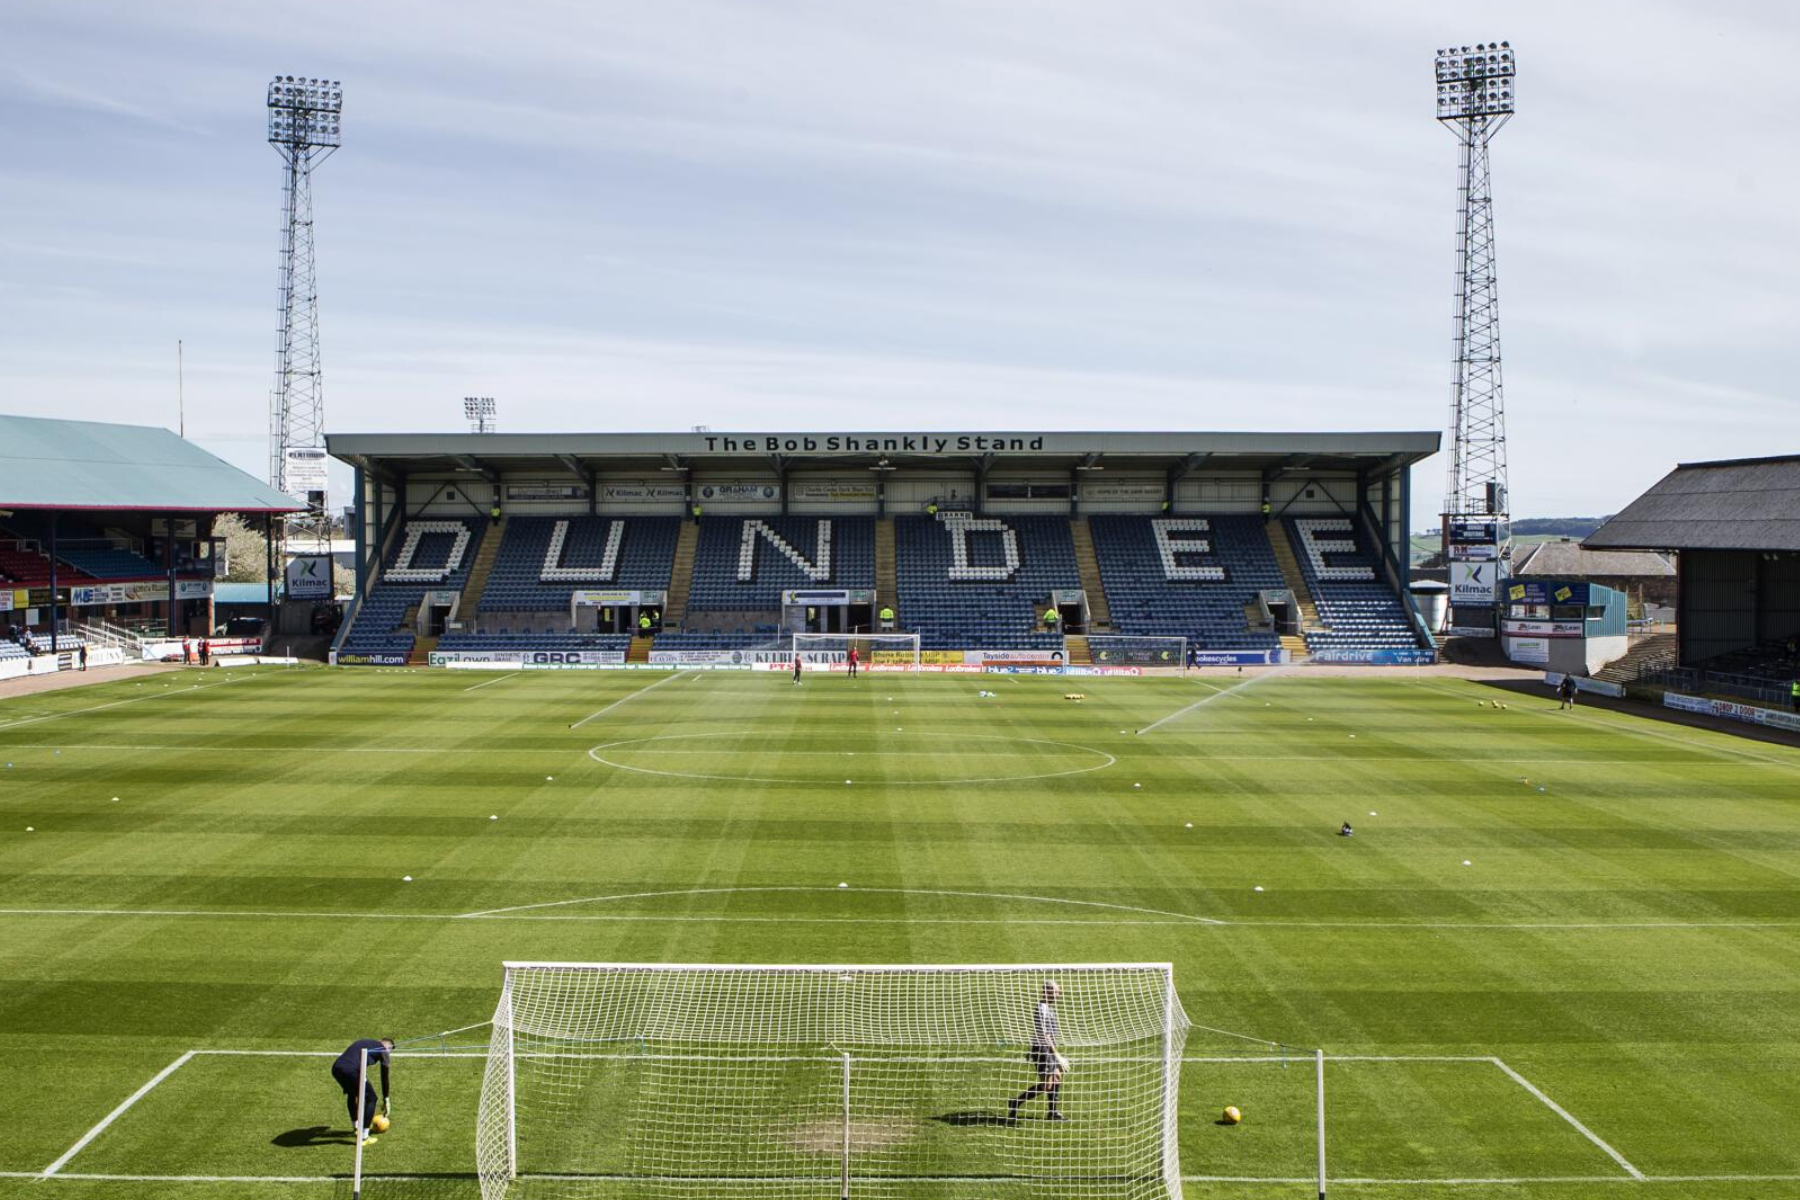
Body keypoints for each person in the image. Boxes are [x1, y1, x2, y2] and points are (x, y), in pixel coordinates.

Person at [1009, 980, 1067, 1122]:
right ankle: (1015, 1102)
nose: (1059, 994)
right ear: (1047, 992)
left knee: (1057, 1077)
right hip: (1042, 1050)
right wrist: (1057, 1055)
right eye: (1056, 991)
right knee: (1046, 1085)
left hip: (1047, 1049)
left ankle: (1053, 1113)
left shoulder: (1048, 1008)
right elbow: (1044, 1035)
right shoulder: (1042, 1009)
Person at [331, 1037, 393, 1143]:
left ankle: (356, 1127)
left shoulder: (366, 1042)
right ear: (388, 1047)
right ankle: (364, 1137)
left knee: (352, 1093)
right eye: (391, 1050)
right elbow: (384, 1076)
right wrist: (386, 1098)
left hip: (337, 1068)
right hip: (351, 1070)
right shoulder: (383, 1049)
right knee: (372, 1098)